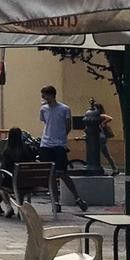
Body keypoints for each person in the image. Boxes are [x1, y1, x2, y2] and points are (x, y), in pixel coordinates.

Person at [38, 85, 84, 213]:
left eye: (45, 95)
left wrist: (61, 136)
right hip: (46, 144)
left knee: (62, 173)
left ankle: (77, 197)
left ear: (51, 95)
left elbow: (68, 126)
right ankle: (56, 201)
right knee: (51, 175)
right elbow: (45, 123)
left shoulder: (64, 109)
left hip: (59, 144)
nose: (43, 98)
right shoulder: (43, 109)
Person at [85, 97, 118, 174]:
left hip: (100, 137)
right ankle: (114, 168)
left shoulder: (100, 116)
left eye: (95, 108)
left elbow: (110, 118)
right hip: (98, 137)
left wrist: (103, 123)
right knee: (105, 154)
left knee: (101, 153)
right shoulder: (94, 117)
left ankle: (113, 168)